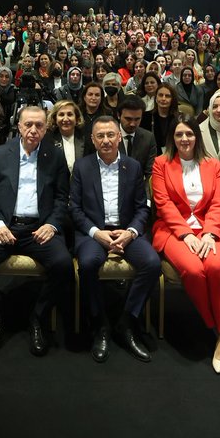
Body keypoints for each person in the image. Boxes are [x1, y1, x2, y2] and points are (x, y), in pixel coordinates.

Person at [0, 105, 74, 356]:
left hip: (39, 228)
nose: (33, 130)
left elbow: (62, 198)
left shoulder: (55, 156)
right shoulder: (1, 153)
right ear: (19, 126)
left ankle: (38, 316)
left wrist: (52, 224)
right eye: (28, 125)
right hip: (5, 226)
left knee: (63, 266)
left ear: (46, 128)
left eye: (39, 125)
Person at [69, 115, 159, 363]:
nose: (106, 140)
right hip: (94, 233)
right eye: (100, 136)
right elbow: (74, 208)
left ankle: (127, 322)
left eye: (111, 135)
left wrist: (130, 232)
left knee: (152, 263)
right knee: (87, 264)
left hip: (126, 231)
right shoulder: (82, 166)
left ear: (119, 137)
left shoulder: (133, 166)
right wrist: (96, 233)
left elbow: (143, 208)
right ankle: (100, 324)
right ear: (92, 139)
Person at [151, 115, 220, 372]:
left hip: (210, 229)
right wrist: (186, 234)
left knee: (215, 266)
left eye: (189, 134)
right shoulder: (161, 163)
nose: (185, 139)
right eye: (179, 135)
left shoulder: (212, 164)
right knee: (194, 270)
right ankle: (218, 327)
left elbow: (218, 203)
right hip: (174, 231)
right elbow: (163, 204)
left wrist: (209, 233)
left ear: (196, 137)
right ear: (172, 139)